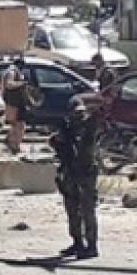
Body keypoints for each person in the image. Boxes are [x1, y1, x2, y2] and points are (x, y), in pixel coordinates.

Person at [51, 96, 102, 259]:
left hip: (86, 172)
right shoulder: (66, 131)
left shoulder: (89, 128)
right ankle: (77, 242)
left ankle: (91, 246)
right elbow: (56, 144)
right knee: (72, 208)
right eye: (75, 114)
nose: (78, 117)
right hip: (70, 172)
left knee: (87, 209)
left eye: (81, 114)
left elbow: (95, 119)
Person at [1, 58, 29, 154]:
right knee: (20, 125)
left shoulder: (10, 71)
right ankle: (15, 146)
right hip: (15, 103)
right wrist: (22, 83)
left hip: (13, 102)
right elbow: (9, 84)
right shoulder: (12, 71)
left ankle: (10, 141)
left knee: (16, 125)